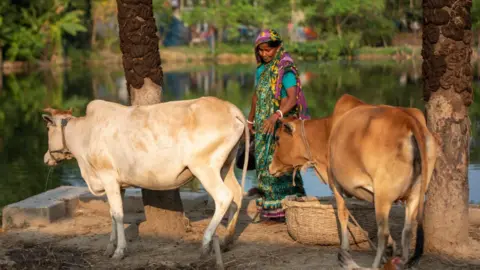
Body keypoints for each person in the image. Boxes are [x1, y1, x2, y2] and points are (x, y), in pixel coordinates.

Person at [247, 29, 309, 221]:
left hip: (280, 125)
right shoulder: (261, 70)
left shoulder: (286, 69)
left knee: (281, 163)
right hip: (262, 123)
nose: (264, 54)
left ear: (278, 47)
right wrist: (250, 120)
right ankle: (270, 207)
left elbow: (292, 98)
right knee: (263, 163)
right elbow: (257, 96)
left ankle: (285, 208)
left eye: (268, 50)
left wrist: (276, 116)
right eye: (261, 51)